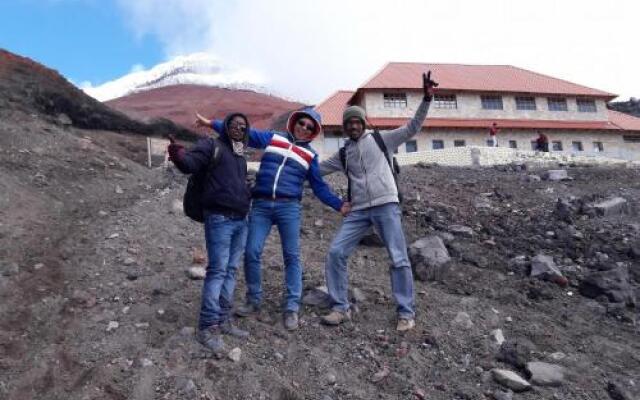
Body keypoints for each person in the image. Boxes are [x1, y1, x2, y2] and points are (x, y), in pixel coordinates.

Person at [195, 108, 350, 331]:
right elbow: (245, 131)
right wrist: (211, 123)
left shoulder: (310, 156)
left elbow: (319, 187)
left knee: (292, 256)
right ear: (294, 122)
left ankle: (291, 307)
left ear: (313, 132)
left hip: (289, 207)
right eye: (302, 123)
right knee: (251, 251)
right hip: (261, 205)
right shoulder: (273, 138)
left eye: (309, 127)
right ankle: (254, 300)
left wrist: (339, 204)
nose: (304, 128)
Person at [318, 71, 438, 332]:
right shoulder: (343, 154)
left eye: (356, 121)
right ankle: (340, 307)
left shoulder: (382, 139)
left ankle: (406, 312)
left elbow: (413, 127)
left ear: (363, 123)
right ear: (344, 127)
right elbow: (315, 171)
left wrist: (426, 99)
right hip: (358, 210)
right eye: (348, 123)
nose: (352, 126)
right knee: (336, 252)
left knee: (398, 257)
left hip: (386, 205)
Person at [167, 113, 252, 353]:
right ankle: (207, 326)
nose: (239, 128)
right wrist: (177, 153)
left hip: (241, 220)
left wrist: (247, 192)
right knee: (217, 271)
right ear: (226, 126)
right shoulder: (211, 145)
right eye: (234, 124)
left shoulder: (239, 155)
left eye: (243, 126)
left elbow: (239, 183)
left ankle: (223, 320)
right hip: (220, 219)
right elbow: (189, 164)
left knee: (231, 270)